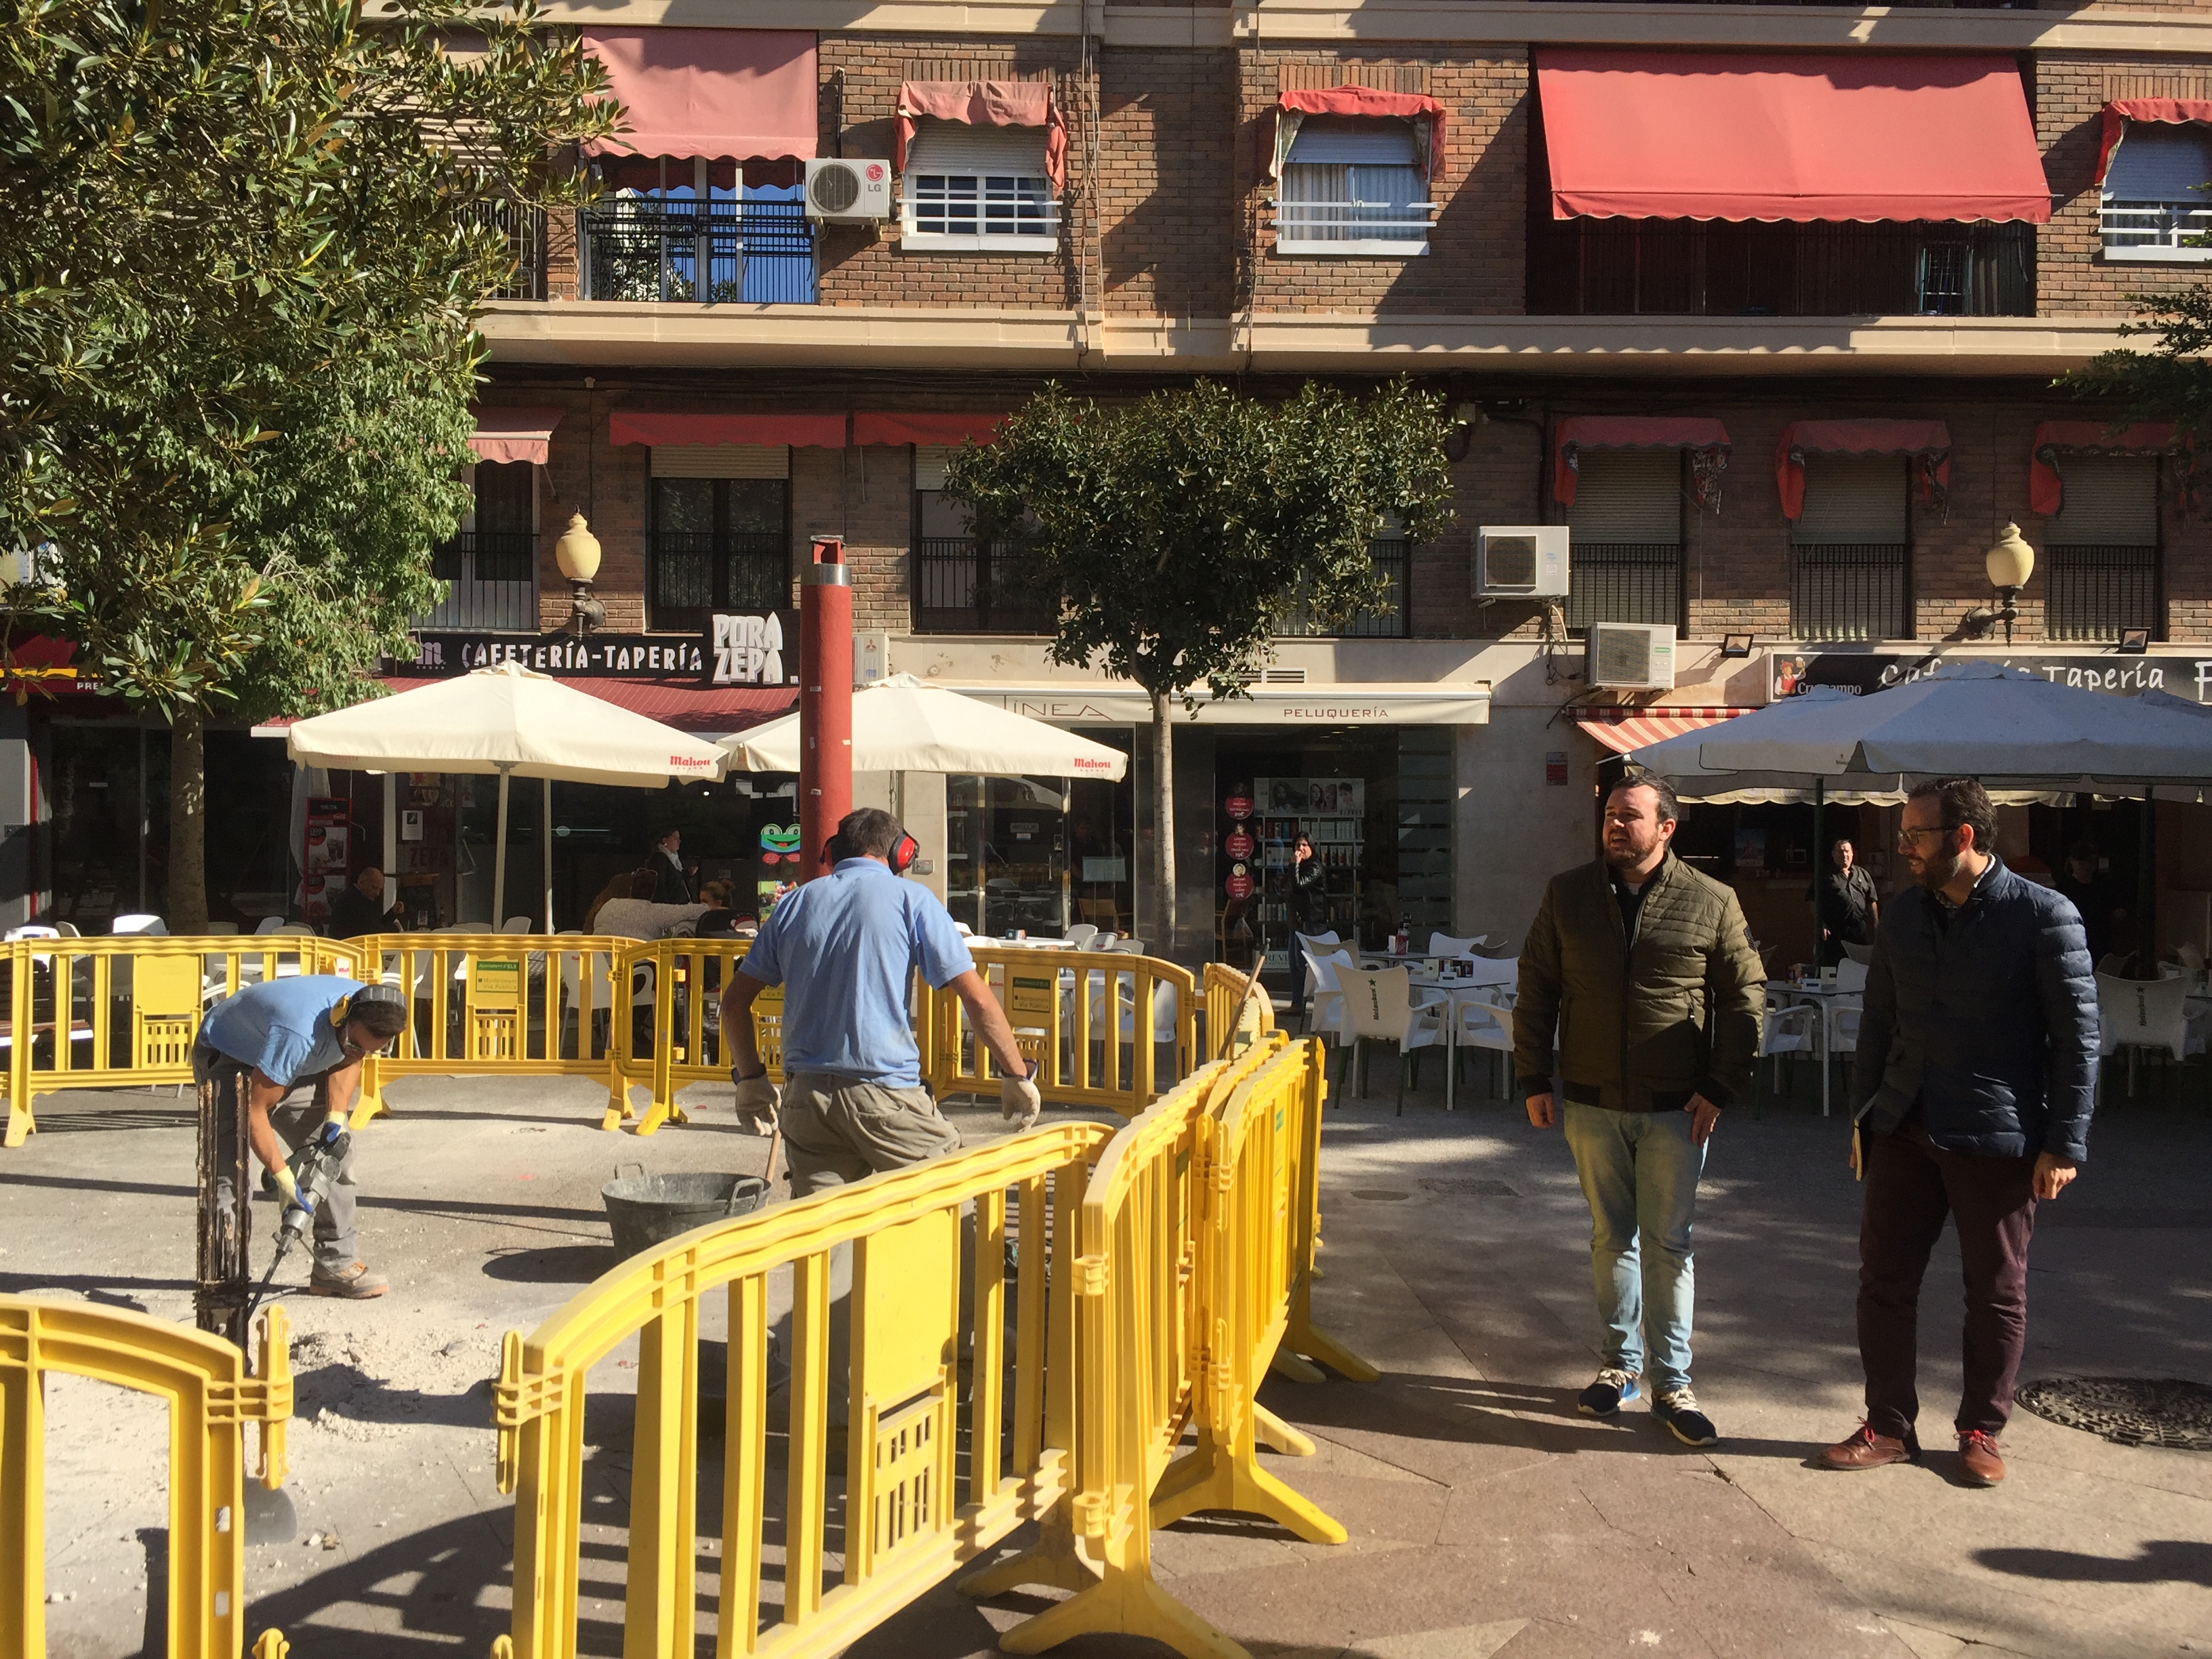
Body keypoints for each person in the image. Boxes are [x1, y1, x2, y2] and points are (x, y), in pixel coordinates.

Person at [1820, 778, 2096, 1487]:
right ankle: (1888, 1426)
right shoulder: (1905, 914)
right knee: (1883, 1283)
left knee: (1996, 1291)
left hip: (1996, 1136)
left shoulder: (2043, 916)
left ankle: (1981, 1430)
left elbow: (2077, 1041)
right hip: (1903, 1124)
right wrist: (1863, 1119)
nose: (1904, 848)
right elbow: (1878, 1021)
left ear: (1963, 837)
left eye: (1916, 836)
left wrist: (2064, 1143)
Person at [1513, 775, 1763, 1448]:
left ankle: (1672, 1383)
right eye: (1610, 816)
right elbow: (1536, 986)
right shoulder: (1568, 895)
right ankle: (1620, 1366)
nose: (1616, 826)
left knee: (1669, 1243)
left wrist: (1722, 1085)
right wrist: (1533, 1075)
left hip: (1676, 1108)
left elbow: (1745, 996)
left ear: (1667, 828)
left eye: (1630, 816)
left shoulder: (1712, 900)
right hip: (1591, 1101)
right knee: (1610, 1237)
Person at [720, 807, 1040, 1190]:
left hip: (806, 1100)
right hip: (885, 1093)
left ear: (833, 852)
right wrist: (1015, 1073)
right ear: (901, 853)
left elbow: (734, 1004)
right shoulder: (912, 899)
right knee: (950, 1199)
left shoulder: (793, 904)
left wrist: (751, 1079)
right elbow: (979, 1001)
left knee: (824, 1223)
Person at [192, 976, 409, 1337]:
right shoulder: (298, 1032)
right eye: (355, 1042)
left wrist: (335, 1116)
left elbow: (350, 1056)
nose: (360, 1051)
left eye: (371, 1049)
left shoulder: (366, 1010)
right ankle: (224, 1287)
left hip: (294, 1062)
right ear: (341, 1017)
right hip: (231, 1059)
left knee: (335, 1156)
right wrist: (282, 1176)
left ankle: (334, 1265)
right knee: (231, 1177)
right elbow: (255, 1111)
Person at [1808, 838, 1880, 967]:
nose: (1844, 855)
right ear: (1833, 854)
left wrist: (1875, 925)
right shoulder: (1825, 876)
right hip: (1835, 932)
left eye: (1847, 851)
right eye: (1840, 852)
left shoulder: (1863, 874)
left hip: (1859, 931)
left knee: (1860, 967)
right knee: (1835, 968)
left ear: (1853, 853)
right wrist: (1821, 923)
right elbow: (1813, 901)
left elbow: (1872, 901)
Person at [2055, 842, 2127, 968]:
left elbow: (2117, 911)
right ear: (2072, 862)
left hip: (2099, 942)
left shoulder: (2103, 887)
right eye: (2082, 861)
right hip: (2073, 943)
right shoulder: (2063, 889)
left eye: (2090, 861)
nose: (2086, 865)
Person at [593, 869, 713, 941]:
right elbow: (689, 911)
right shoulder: (654, 911)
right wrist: (713, 908)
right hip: (639, 969)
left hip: (600, 967)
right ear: (653, 893)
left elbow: (596, 925)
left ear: (631, 889)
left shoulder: (608, 905)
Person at [1287, 832, 1330, 1022]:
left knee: (1305, 965)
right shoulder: (1300, 867)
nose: (1301, 849)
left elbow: (1300, 884)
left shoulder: (1314, 867)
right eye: (1298, 845)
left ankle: (1315, 1001)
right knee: (1294, 964)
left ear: (1311, 847)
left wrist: (1295, 865)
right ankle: (1297, 1003)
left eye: (1305, 845)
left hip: (1311, 923)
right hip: (1297, 922)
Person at [326, 866, 405, 940]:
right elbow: (372, 932)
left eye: (379, 889)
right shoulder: (353, 900)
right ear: (362, 883)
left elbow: (375, 923)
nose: (377, 893)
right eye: (374, 888)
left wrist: (392, 913)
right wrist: (395, 929)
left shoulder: (359, 897)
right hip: (347, 947)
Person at [649, 828, 695, 905]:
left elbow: (675, 878)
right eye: (676, 838)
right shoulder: (660, 858)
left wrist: (689, 874)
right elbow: (660, 886)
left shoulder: (674, 859)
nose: (679, 841)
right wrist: (666, 907)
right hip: (670, 907)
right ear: (665, 840)